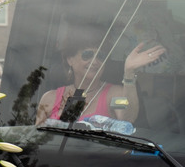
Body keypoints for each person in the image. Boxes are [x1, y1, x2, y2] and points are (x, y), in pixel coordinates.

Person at [35, 35, 163, 126]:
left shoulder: (115, 94)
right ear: (70, 59)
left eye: (100, 56)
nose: (95, 61)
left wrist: (129, 72)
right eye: (87, 55)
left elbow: (127, 118)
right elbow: (36, 141)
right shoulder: (49, 98)